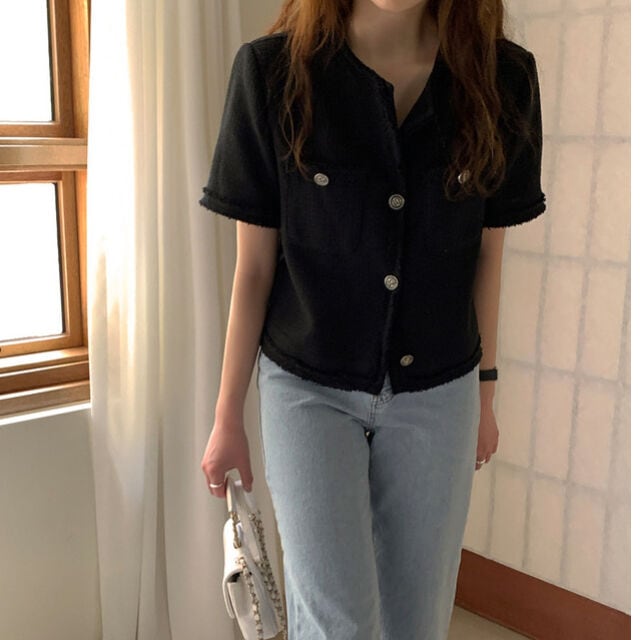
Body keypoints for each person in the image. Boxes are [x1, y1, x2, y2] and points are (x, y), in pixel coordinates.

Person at [200, 0, 546, 638]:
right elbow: (253, 270)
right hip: (307, 387)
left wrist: (484, 392)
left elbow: (487, 255)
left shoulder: (502, 79)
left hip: (440, 387)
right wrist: (227, 419)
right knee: (338, 624)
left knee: (419, 619)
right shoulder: (273, 73)